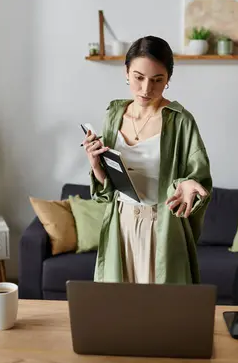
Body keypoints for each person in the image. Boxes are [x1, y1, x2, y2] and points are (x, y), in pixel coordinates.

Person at [82, 35, 212, 285]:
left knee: (162, 313)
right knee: (119, 311)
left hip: (161, 228)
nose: (146, 89)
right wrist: (96, 164)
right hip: (120, 224)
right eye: (139, 77)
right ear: (126, 72)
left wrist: (187, 184)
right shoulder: (113, 114)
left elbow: (200, 179)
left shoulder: (180, 121)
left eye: (157, 80)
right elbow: (108, 190)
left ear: (168, 80)